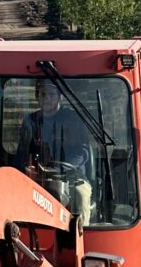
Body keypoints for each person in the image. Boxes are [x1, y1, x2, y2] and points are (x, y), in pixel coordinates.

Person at [13, 78, 95, 219]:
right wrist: (26, 167)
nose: (47, 99)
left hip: (72, 177)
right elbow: (23, 150)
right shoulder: (30, 121)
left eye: (51, 95)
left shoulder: (72, 119)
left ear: (59, 97)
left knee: (81, 194)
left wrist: (60, 170)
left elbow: (82, 152)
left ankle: (81, 235)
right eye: (43, 95)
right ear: (37, 97)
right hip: (39, 176)